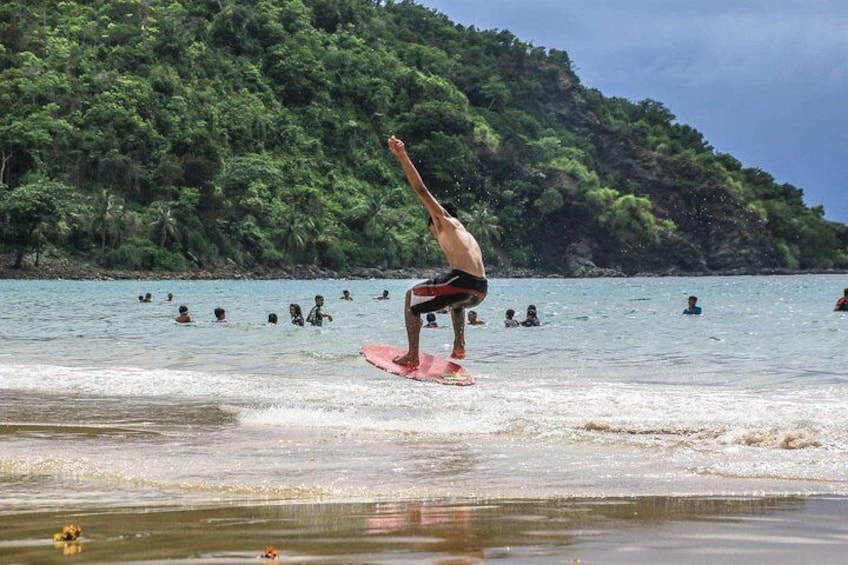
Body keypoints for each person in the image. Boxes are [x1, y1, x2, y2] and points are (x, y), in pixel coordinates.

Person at [387, 135, 488, 367]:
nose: (433, 235)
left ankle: (412, 355)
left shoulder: (443, 221)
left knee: (411, 297)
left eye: (431, 231)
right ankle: (459, 345)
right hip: (481, 289)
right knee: (456, 301)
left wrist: (402, 156)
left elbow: (421, 190)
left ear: (433, 223)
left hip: (463, 280)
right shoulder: (465, 234)